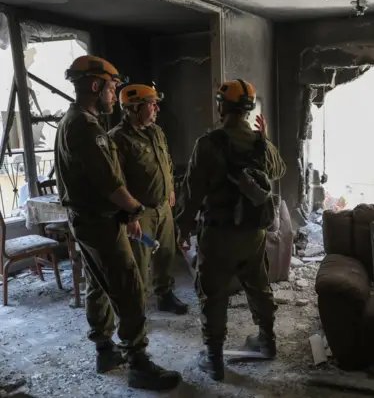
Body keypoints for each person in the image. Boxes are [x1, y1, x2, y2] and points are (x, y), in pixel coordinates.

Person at [54, 55, 182, 391]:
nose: (114, 95)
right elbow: (110, 182)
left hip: (91, 220)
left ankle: (105, 350)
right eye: (111, 88)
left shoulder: (75, 121)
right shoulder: (86, 127)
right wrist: (134, 210)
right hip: (99, 222)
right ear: (95, 86)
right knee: (129, 288)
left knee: (100, 283)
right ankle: (138, 362)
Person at [175, 79, 286, 381]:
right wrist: (266, 138)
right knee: (258, 284)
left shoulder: (208, 144)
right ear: (249, 109)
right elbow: (278, 171)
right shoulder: (259, 140)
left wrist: (183, 228)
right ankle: (267, 340)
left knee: (213, 293)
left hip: (219, 234)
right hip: (254, 233)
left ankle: (214, 360)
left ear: (221, 106)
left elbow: (192, 192)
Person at [108, 84, 188, 315]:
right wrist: (129, 216)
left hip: (163, 208)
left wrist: (170, 187)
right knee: (138, 262)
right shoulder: (118, 139)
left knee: (166, 254)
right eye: (152, 104)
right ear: (134, 108)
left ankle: (165, 295)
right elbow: (117, 182)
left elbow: (168, 163)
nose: (156, 109)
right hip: (140, 214)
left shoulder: (156, 132)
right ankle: (137, 309)